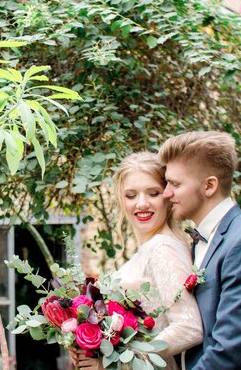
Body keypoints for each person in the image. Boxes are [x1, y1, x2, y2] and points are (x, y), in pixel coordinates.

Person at [158, 131, 241, 370]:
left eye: (175, 184)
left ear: (209, 186)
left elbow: (230, 353)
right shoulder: (201, 240)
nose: (167, 193)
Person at [70, 152, 203, 370]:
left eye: (153, 193)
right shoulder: (149, 249)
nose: (142, 204)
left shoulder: (163, 249)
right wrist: (86, 342)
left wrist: (117, 360)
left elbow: (189, 328)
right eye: (131, 195)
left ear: (168, 197)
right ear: (121, 200)